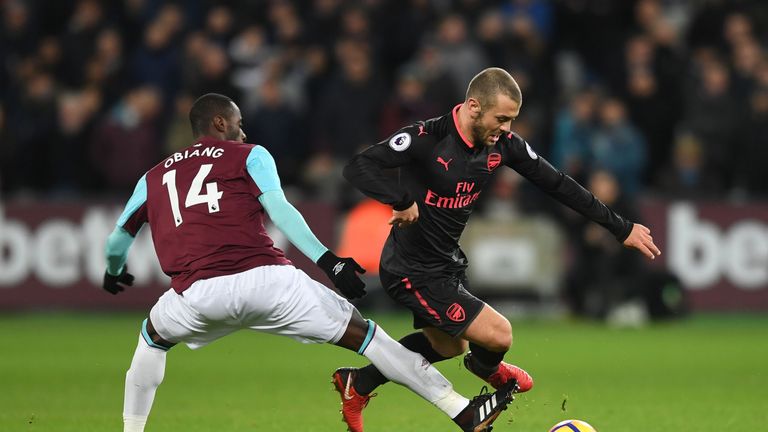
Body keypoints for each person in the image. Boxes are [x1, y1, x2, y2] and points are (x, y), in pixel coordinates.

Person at [102, 93, 517, 432]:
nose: (243, 130)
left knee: (152, 337)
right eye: (238, 122)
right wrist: (329, 261)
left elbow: (118, 238)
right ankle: (462, 410)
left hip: (194, 296)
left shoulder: (152, 176)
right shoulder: (248, 154)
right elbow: (280, 210)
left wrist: (114, 271)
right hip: (268, 282)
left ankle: (131, 431)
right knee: (371, 338)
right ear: (218, 125)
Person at [333, 68, 661, 431]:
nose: (506, 128)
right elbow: (359, 167)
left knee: (447, 347)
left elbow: (558, 184)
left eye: (512, 120)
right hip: (411, 269)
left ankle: (359, 383)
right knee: (498, 334)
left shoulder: (504, 145)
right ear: (474, 107)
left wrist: (621, 227)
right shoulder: (428, 138)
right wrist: (400, 198)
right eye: (501, 119)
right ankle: (486, 369)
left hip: (446, 263)